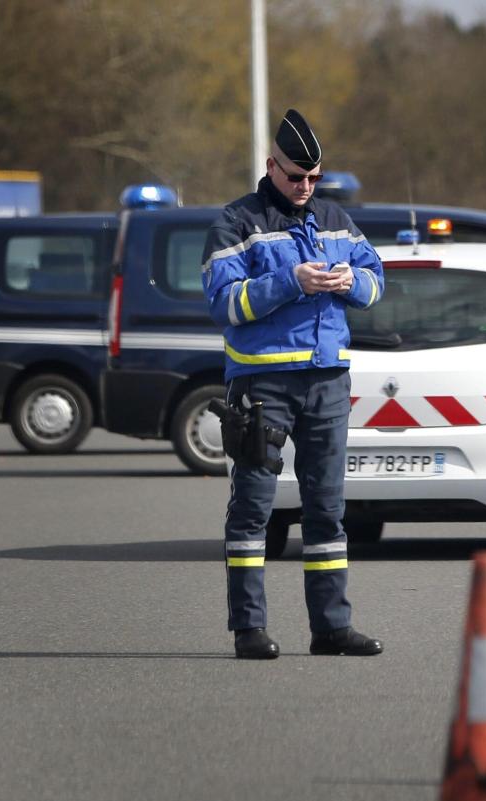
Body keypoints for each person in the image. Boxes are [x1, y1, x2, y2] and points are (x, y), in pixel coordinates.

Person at [201, 109, 385, 658]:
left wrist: (354, 281)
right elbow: (223, 302)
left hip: (327, 382)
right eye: (293, 176)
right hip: (263, 386)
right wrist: (290, 281)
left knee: (327, 509)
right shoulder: (237, 221)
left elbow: (377, 280)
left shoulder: (334, 218)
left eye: (313, 177)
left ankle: (331, 627)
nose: (304, 187)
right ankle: (249, 629)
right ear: (270, 166)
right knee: (253, 507)